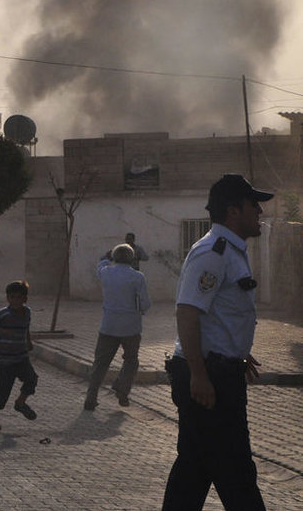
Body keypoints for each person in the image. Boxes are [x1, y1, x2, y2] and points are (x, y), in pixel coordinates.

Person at [162, 173, 271, 510]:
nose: (260, 212)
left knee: (194, 471)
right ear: (233, 211)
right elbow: (188, 312)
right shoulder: (213, 252)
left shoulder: (232, 250)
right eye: (254, 205)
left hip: (219, 372)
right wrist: (199, 373)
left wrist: (239, 352)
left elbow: (221, 313)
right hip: (210, 380)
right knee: (236, 473)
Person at [84, 243, 151, 410]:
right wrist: (140, 311)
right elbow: (145, 303)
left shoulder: (106, 273)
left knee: (100, 363)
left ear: (114, 257)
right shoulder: (137, 277)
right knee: (131, 361)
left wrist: (106, 257)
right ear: (132, 258)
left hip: (109, 325)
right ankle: (123, 391)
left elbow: (101, 264)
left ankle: (91, 396)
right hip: (131, 327)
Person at [0, 280, 38, 431]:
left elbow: (26, 328)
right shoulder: (2, 314)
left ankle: (20, 403)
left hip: (21, 356)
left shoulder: (27, 312)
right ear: (8, 298)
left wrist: (28, 342)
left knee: (31, 379)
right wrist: (3, 331)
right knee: (3, 389)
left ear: (25, 299)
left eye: (19, 298)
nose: (15, 301)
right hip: (5, 359)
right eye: (12, 297)